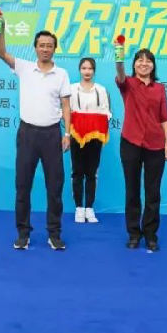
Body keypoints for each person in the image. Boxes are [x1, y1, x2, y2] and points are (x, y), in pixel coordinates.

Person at [0, 24, 71, 250]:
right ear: (35, 48)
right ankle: (23, 233)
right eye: (42, 45)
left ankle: (54, 234)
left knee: (55, 187)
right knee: (23, 185)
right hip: (27, 133)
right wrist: (0, 31)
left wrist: (67, 133)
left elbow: (66, 105)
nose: (45, 49)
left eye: (49, 46)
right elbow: (2, 53)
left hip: (52, 134)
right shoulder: (25, 67)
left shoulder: (62, 74)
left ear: (55, 49)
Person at [114, 44, 167, 251]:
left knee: (153, 192)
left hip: (156, 144)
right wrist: (119, 56)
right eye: (140, 60)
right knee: (132, 190)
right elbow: (120, 74)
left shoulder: (159, 88)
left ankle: (150, 234)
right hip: (131, 142)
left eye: (148, 60)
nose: (144, 63)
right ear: (134, 64)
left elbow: (164, 117)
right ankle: (133, 233)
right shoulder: (128, 84)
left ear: (153, 65)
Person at [69, 57, 112, 223]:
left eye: (90, 68)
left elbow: (107, 112)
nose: (87, 71)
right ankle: (79, 207)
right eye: (84, 68)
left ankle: (89, 207)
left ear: (94, 71)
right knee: (77, 171)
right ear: (79, 70)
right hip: (76, 135)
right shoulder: (72, 89)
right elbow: (65, 111)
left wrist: (94, 122)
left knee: (92, 172)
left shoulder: (101, 90)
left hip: (95, 136)